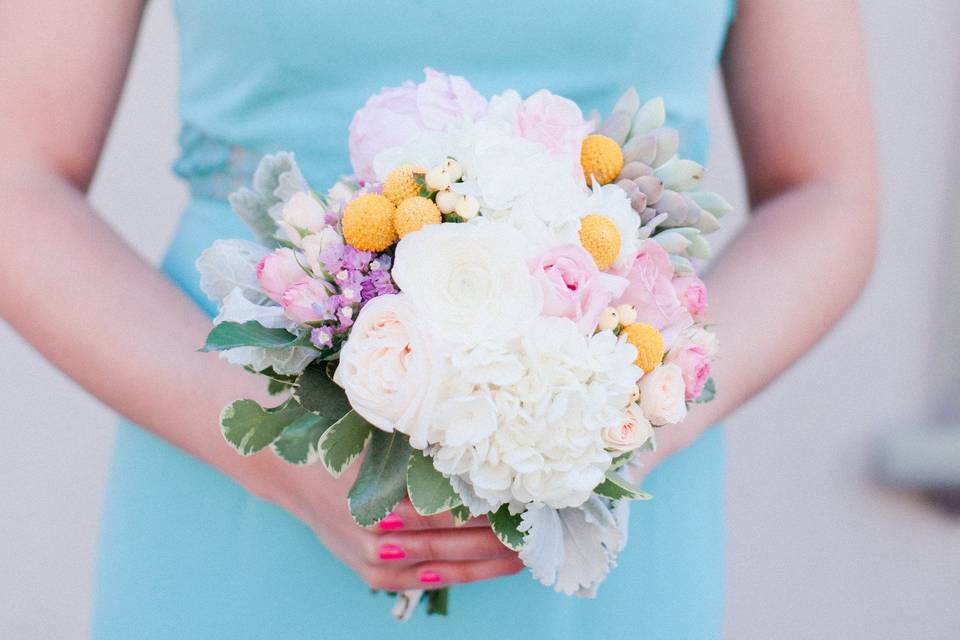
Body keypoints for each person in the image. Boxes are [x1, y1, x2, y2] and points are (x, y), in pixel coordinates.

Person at [0, 0, 877, 637]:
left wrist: (615, 423)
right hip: (240, 483)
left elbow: (827, 191)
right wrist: (276, 456)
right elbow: (18, 184)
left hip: (605, 507)